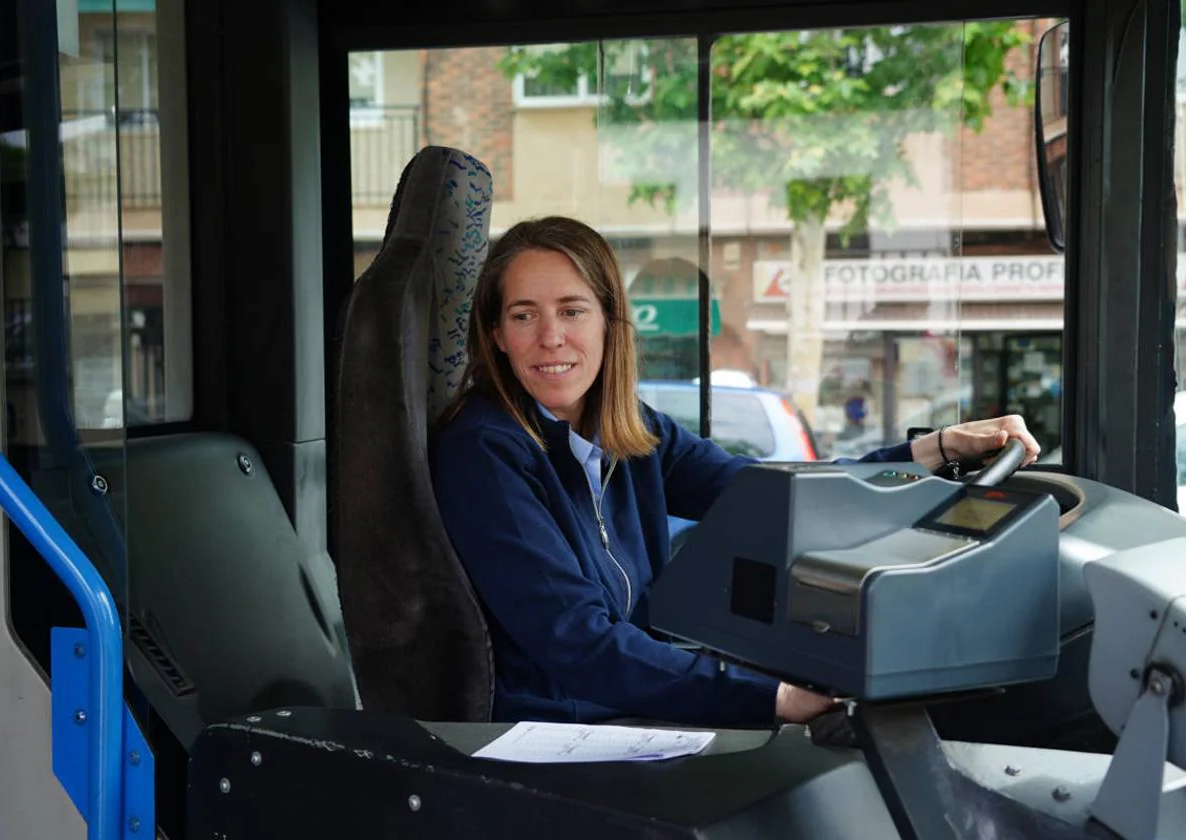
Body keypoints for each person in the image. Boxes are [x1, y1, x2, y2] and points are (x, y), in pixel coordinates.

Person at [430, 216, 1040, 730]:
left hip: (629, 709)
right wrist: (770, 698)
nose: (551, 337)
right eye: (523, 316)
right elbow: (576, 642)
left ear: (609, 324)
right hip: (558, 728)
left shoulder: (633, 432)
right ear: (496, 336)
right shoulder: (484, 451)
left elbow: (777, 496)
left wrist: (938, 451)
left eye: (572, 310)